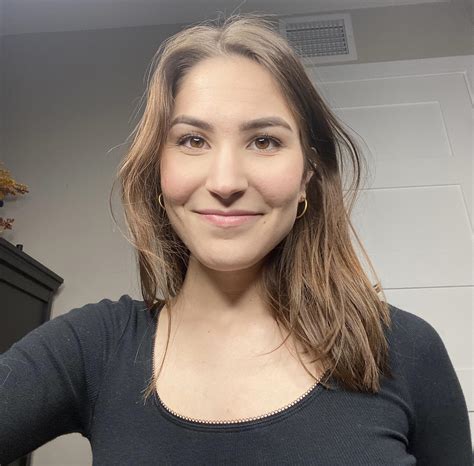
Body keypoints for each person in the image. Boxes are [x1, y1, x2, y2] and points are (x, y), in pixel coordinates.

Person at [0, 13, 472, 466]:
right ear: (158, 169)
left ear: (307, 175)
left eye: (264, 141)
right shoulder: (91, 346)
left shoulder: (405, 349)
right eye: (192, 140)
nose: (225, 182)